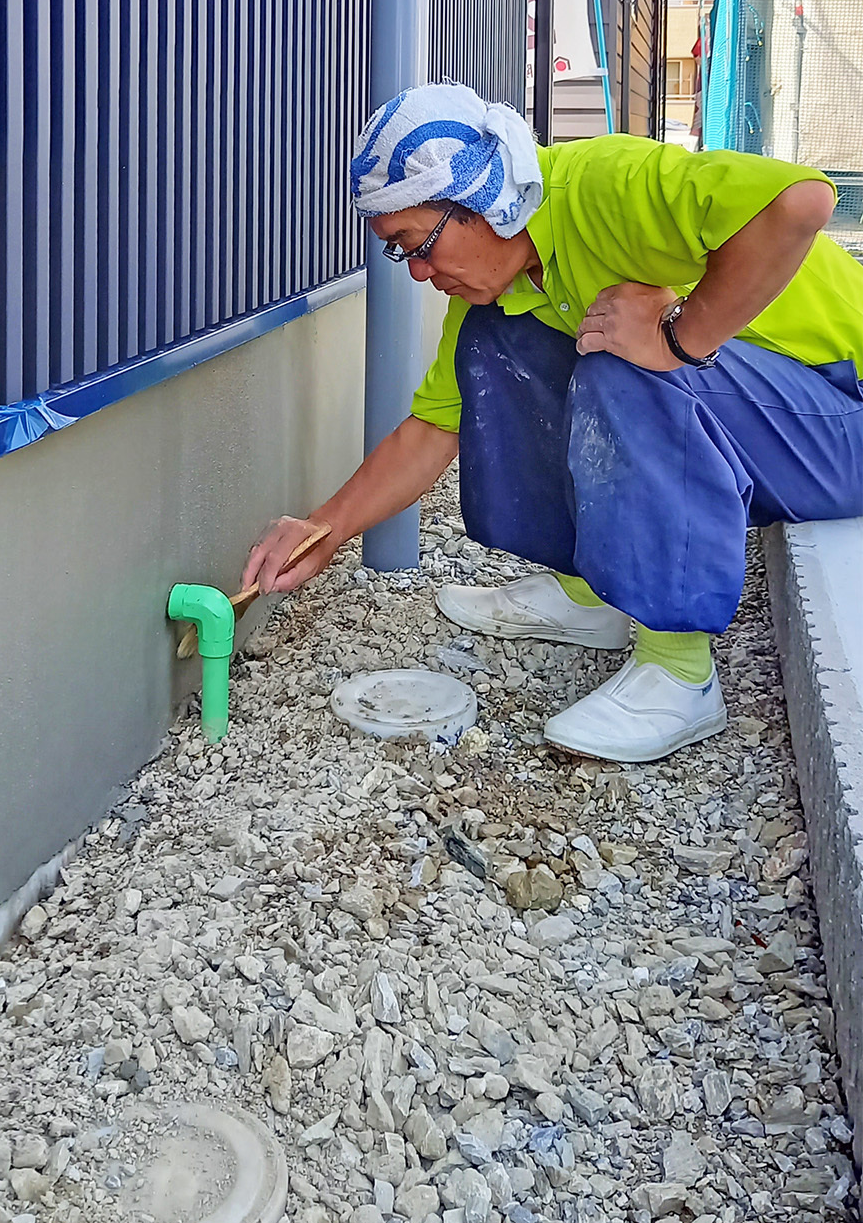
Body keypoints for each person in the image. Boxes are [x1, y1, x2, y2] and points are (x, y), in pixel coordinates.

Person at [243, 83, 863, 763]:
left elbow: (801, 201)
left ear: (480, 202)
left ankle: (679, 673)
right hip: (769, 419)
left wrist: (682, 335)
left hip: (838, 418)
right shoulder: (511, 280)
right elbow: (431, 431)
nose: (418, 273)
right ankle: (590, 595)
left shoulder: (607, 185)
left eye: (414, 245)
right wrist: (324, 530)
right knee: (498, 342)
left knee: (624, 361)